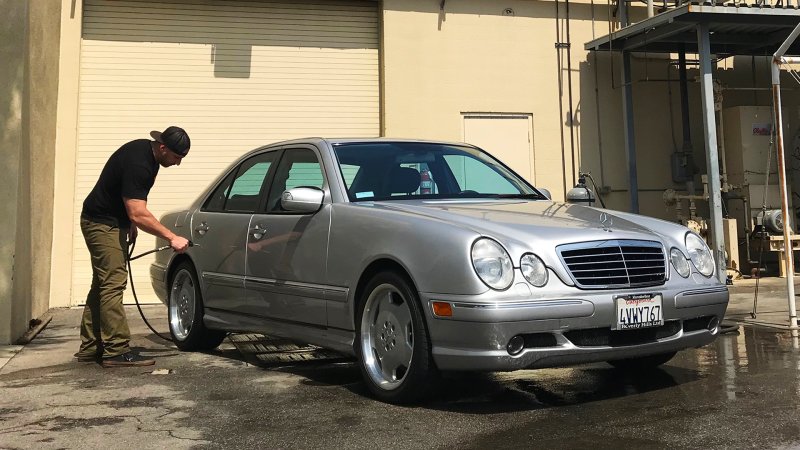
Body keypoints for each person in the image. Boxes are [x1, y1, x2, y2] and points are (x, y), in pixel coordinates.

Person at [75, 126, 191, 367]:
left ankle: (91, 346)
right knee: (113, 283)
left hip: (107, 219)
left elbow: (129, 202)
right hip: (100, 223)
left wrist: (129, 221)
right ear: (163, 148)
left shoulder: (144, 151)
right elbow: (138, 211)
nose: (178, 163)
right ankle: (116, 350)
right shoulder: (141, 164)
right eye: (177, 157)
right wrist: (172, 237)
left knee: (102, 282)